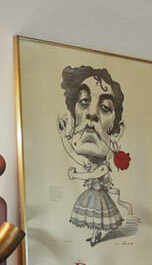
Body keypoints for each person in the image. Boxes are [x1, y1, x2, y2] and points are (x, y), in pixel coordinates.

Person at [57, 63, 135, 246]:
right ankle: (95, 235)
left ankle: (95, 237)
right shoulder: (89, 160)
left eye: (105, 107)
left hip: (99, 196)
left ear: (116, 131)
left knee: (98, 219)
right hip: (93, 194)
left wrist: (75, 175)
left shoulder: (102, 167)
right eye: (84, 101)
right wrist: (62, 135)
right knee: (95, 219)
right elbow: (72, 153)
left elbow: (92, 174)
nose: (92, 114)